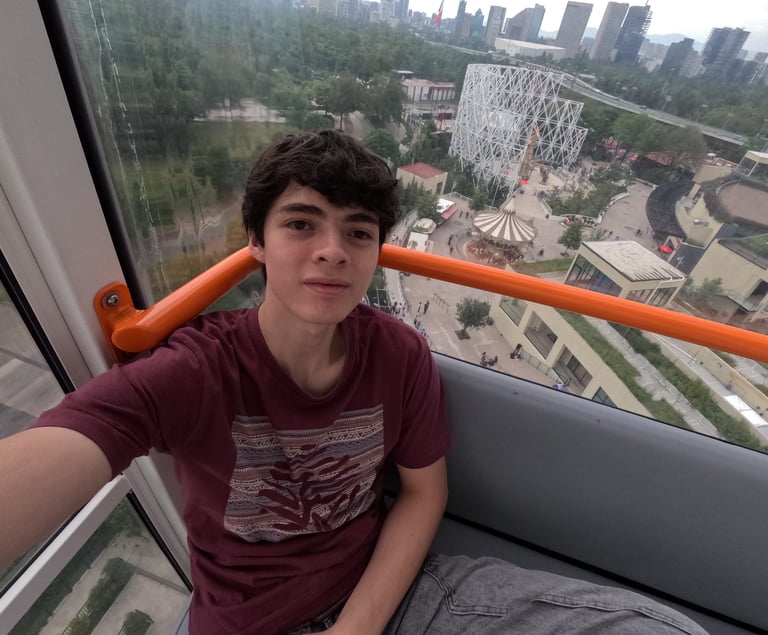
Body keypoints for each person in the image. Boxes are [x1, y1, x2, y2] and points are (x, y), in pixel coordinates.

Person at [0, 130, 707, 635]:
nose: (332, 250)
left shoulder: (398, 353)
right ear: (256, 240)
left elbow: (424, 492)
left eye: (358, 232)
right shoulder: (198, 371)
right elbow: (90, 430)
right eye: (301, 224)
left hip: (391, 595)